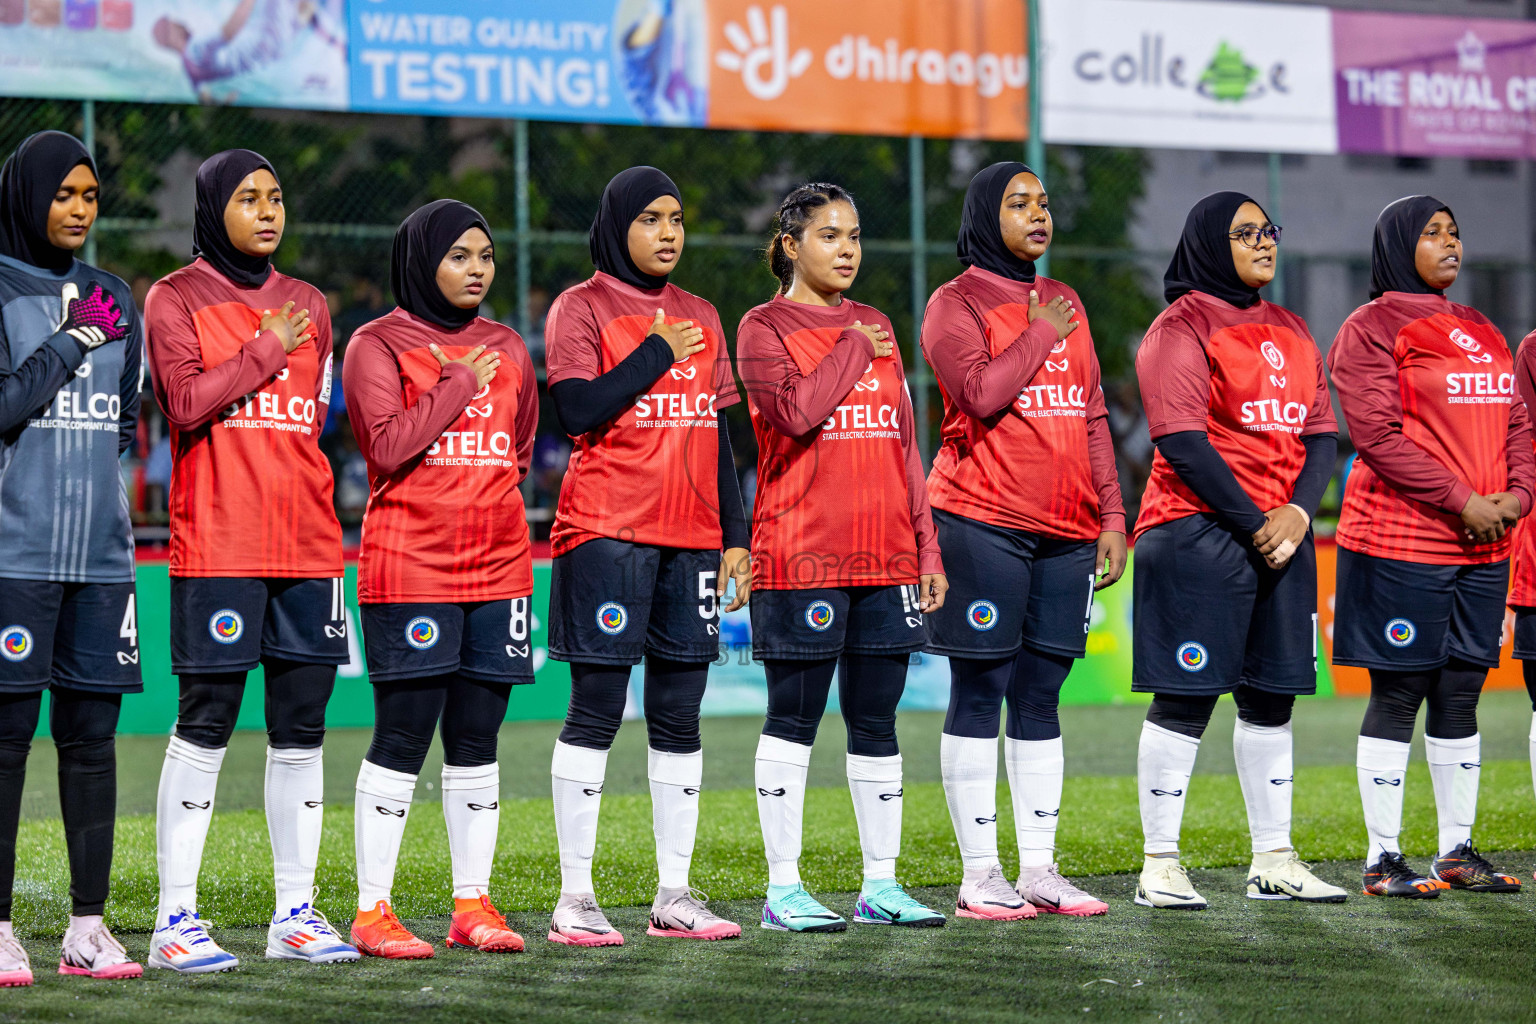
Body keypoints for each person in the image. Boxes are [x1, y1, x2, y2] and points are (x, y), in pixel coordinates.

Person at [143, 149, 357, 972]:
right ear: (212, 208)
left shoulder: (309, 302)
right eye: (248, 199)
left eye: (276, 197)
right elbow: (185, 401)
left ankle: (294, 914)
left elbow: (313, 421)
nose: (267, 212)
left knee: (302, 732)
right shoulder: (176, 296)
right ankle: (174, 922)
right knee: (206, 724)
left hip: (307, 540)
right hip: (221, 541)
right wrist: (264, 349)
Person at [543, 166, 749, 945]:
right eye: (652, 218)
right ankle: (574, 898)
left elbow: (718, 436)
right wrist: (656, 352)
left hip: (693, 539)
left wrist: (737, 536)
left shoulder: (702, 312)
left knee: (679, 713)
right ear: (617, 225)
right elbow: (577, 409)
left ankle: (674, 894)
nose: (669, 232)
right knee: (596, 709)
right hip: (607, 530)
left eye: (678, 217)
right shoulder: (582, 306)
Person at [737, 182, 948, 932]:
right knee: (793, 717)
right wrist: (852, 346)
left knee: (877, 721)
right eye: (830, 236)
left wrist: (926, 547)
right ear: (791, 245)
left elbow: (903, 445)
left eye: (854, 236)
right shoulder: (763, 326)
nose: (848, 250)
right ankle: (783, 890)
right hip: (802, 557)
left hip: (886, 556)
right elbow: (793, 414)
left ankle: (880, 886)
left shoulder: (879, 323)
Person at [921, 162, 1124, 920]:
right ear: (985, 213)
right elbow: (979, 393)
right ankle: (980, 875)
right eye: (1018, 203)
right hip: (982, 522)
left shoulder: (1065, 300)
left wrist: (1111, 515)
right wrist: (1041, 332)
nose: (1038, 214)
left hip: (1068, 531)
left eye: (1043, 202)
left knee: (1042, 696)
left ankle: (1038, 869)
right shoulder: (955, 303)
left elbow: (1093, 414)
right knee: (981, 688)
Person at [1131, 191, 1345, 910]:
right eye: (1244, 232)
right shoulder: (1180, 327)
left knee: (1271, 699)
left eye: (1268, 231)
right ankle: (1159, 866)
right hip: (1197, 532)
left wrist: (1294, 511)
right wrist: (1259, 520)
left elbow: (1321, 434)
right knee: (1186, 698)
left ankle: (1275, 861)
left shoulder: (1290, 325)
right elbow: (1182, 440)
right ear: (1206, 243)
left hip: (1280, 534)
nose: (1263, 243)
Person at [342, 200, 538, 958]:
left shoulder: (510, 347)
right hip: (411, 565)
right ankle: (370, 911)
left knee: (477, 739)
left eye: (485, 255)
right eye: (459, 255)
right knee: (402, 735)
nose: (476, 269)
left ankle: (471, 905)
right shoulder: (376, 343)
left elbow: (516, 452)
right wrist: (455, 384)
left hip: (499, 567)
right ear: (422, 260)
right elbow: (387, 447)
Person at [1330, 196, 1531, 898]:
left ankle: (1457, 852)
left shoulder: (1481, 327)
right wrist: (1464, 501)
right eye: (1432, 233)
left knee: (1462, 692)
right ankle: (1382, 859)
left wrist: (1517, 498)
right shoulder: (1371, 326)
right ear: (1395, 246)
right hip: (1403, 540)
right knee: (1401, 690)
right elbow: (1377, 437)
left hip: (1484, 545)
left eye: (1455, 231)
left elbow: (1518, 429)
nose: (1450, 242)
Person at [0, 130, 144, 984]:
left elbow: (124, 427)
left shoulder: (114, 295)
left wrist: (91, 331)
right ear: (28, 196)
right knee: (6, 741)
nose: (79, 210)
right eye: (64, 194)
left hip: (101, 559)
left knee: (92, 743)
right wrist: (70, 342)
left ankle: (88, 929)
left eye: (89, 196)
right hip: (13, 554)